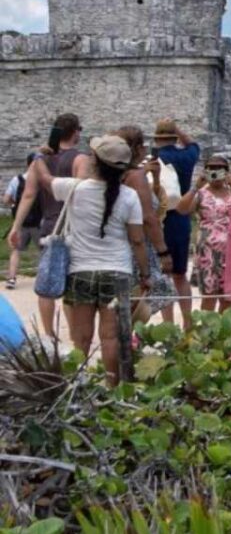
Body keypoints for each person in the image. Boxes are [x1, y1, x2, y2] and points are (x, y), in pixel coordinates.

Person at [56, 136, 150, 384]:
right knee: (111, 338)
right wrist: (145, 273)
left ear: (95, 161)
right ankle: (112, 387)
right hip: (117, 271)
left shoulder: (75, 189)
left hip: (81, 270)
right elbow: (137, 240)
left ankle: (77, 385)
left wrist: (40, 160)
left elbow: (44, 181)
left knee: (81, 338)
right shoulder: (129, 196)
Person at [8, 114, 91, 332]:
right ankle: (75, 333)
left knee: (47, 284)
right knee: (71, 284)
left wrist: (16, 226)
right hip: (74, 226)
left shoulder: (40, 160)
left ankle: (49, 333)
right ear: (75, 132)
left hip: (49, 225)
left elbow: (28, 195)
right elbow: (81, 193)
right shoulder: (80, 159)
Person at [110, 127, 174, 319]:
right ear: (137, 148)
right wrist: (163, 251)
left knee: (122, 306)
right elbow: (148, 217)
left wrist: (153, 177)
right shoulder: (136, 176)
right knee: (150, 296)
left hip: (115, 243)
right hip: (137, 246)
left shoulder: (115, 173)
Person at [174, 154, 231, 313]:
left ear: (227, 171)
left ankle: (225, 326)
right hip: (207, 251)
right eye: (211, 168)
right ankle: (207, 327)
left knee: (229, 296)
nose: (215, 171)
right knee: (209, 296)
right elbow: (181, 209)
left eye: (219, 168)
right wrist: (195, 187)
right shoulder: (201, 193)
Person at [153, 119, 201, 328]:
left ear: (156, 138)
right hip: (180, 216)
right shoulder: (186, 157)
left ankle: (168, 325)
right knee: (180, 275)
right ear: (174, 137)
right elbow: (193, 145)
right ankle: (188, 323)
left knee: (164, 276)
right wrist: (178, 129)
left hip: (159, 219)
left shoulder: (154, 159)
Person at [5, 154, 41, 290]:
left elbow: (6, 199)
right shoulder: (42, 181)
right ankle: (45, 278)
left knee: (15, 251)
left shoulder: (17, 180)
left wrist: (15, 204)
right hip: (39, 222)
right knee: (44, 252)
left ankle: (11, 278)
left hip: (20, 223)